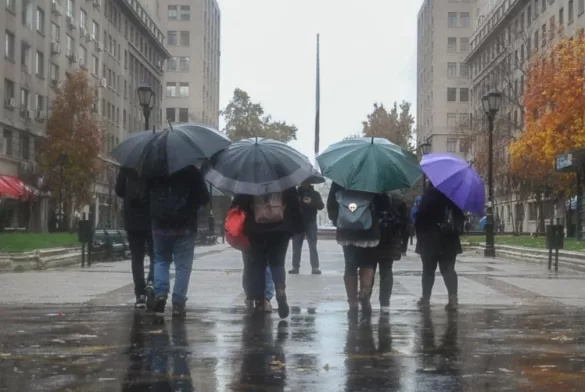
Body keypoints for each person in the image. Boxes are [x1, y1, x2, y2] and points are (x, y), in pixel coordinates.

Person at [147, 165, 210, 318]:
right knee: (183, 266)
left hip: (160, 225)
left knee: (161, 260)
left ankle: (160, 294)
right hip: (185, 226)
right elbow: (204, 198)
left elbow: (144, 194)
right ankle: (178, 303)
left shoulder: (154, 170)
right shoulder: (191, 170)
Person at [327, 182, 398, 315]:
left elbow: (331, 204)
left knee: (350, 265)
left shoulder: (341, 178)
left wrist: (339, 220)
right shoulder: (374, 179)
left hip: (346, 230)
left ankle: (352, 303)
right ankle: (364, 295)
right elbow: (384, 206)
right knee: (368, 263)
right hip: (369, 229)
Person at [231, 188, 303, 318]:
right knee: (278, 263)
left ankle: (260, 301)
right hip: (281, 229)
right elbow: (294, 205)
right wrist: (295, 228)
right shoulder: (284, 177)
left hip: (256, 229)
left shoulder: (250, 179)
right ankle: (280, 291)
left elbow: (239, 203)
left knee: (258, 265)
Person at [414, 183, 464, 310]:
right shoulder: (453, 196)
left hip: (429, 239)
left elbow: (419, 218)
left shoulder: (429, 194)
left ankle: (426, 298)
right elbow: (460, 219)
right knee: (448, 269)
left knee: (428, 270)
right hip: (449, 239)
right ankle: (453, 298)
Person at [115, 167, 154, 309]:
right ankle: (151, 282)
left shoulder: (128, 165)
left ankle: (140, 295)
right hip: (151, 218)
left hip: (132, 219)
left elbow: (119, 190)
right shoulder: (154, 162)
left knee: (137, 257)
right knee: (156, 255)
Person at [231, 195, 276, 312]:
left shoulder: (246, 186)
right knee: (266, 264)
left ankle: (250, 296)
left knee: (249, 265)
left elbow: (235, 208)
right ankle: (265, 298)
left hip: (248, 232)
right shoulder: (273, 185)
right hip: (269, 230)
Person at [376, 192, 409, 314]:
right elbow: (405, 224)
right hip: (390, 240)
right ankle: (384, 302)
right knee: (386, 269)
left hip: (371, 237)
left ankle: (366, 299)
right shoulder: (398, 199)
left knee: (368, 268)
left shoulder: (369, 196)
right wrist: (401, 244)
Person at [290, 181, 324, 275]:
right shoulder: (295, 194)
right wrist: (298, 201)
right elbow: (290, 207)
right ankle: (295, 266)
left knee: (312, 245)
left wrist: (311, 202)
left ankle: (315, 267)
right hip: (298, 222)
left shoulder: (315, 194)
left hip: (310, 222)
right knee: (296, 246)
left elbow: (321, 206)